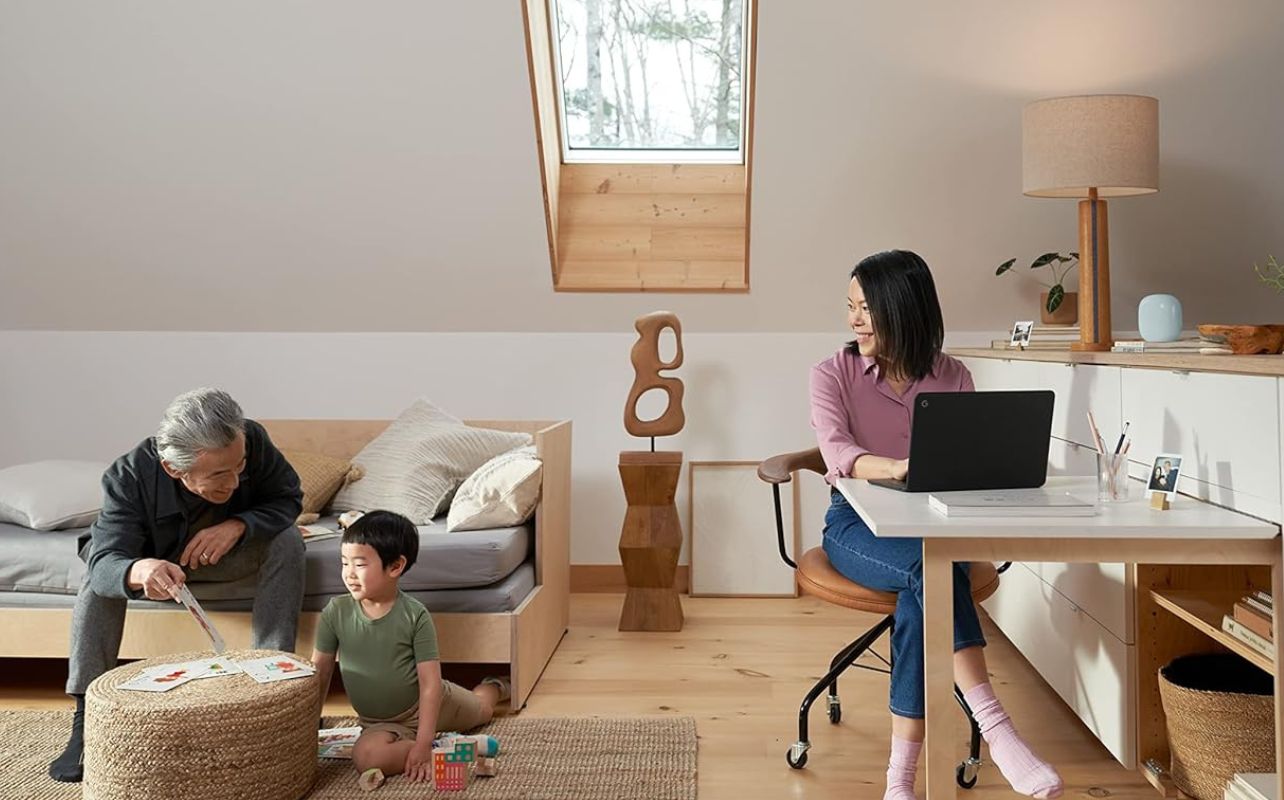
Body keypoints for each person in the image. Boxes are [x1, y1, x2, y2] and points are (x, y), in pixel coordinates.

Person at [809, 250, 1063, 800]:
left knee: (923, 587)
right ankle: (997, 729)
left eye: (865, 308)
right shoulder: (832, 373)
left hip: (938, 528)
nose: (853, 320)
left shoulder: (953, 376)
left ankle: (900, 781)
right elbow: (839, 451)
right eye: (850, 307)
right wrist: (900, 467)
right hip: (855, 526)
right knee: (933, 569)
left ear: (903, 310)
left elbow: (971, 463)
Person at [50, 388, 307, 782]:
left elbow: (288, 498)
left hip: (226, 557)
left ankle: (272, 691)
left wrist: (239, 525)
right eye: (219, 474)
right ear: (174, 469)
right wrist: (139, 569)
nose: (236, 482)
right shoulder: (128, 475)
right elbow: (106, 562)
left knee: (288, 538)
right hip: (156, 568)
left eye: (239, 466)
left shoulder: (251, 438)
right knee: (95, 580)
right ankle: (86, 720)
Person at [312, 510, 508, 783]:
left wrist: (423, 742)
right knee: (366, 758)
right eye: (344, 563)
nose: (349, 574)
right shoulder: (335, 612)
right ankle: (449, 749)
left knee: (482, 709)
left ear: (395, 566)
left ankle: (496, 686)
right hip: (380, 723)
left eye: (359, 564)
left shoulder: (415, 615)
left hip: (432, 704)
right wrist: (307, 729)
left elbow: (431, 685)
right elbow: (320, 675)